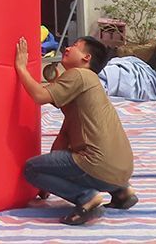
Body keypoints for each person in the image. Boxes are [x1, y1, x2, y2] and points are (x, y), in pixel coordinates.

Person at [14, 35, 138, 226]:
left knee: (31, 168)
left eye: (75, 46)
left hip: (96, 164)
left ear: (86, 58)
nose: (68, 48)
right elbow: (64, 135)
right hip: (121, 170)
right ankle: (122, 191)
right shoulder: (90, 84)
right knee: (64, 160)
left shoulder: (79, 74)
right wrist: (49, 179)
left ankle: (86, 197)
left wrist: (21, 67)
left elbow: (39, 96)